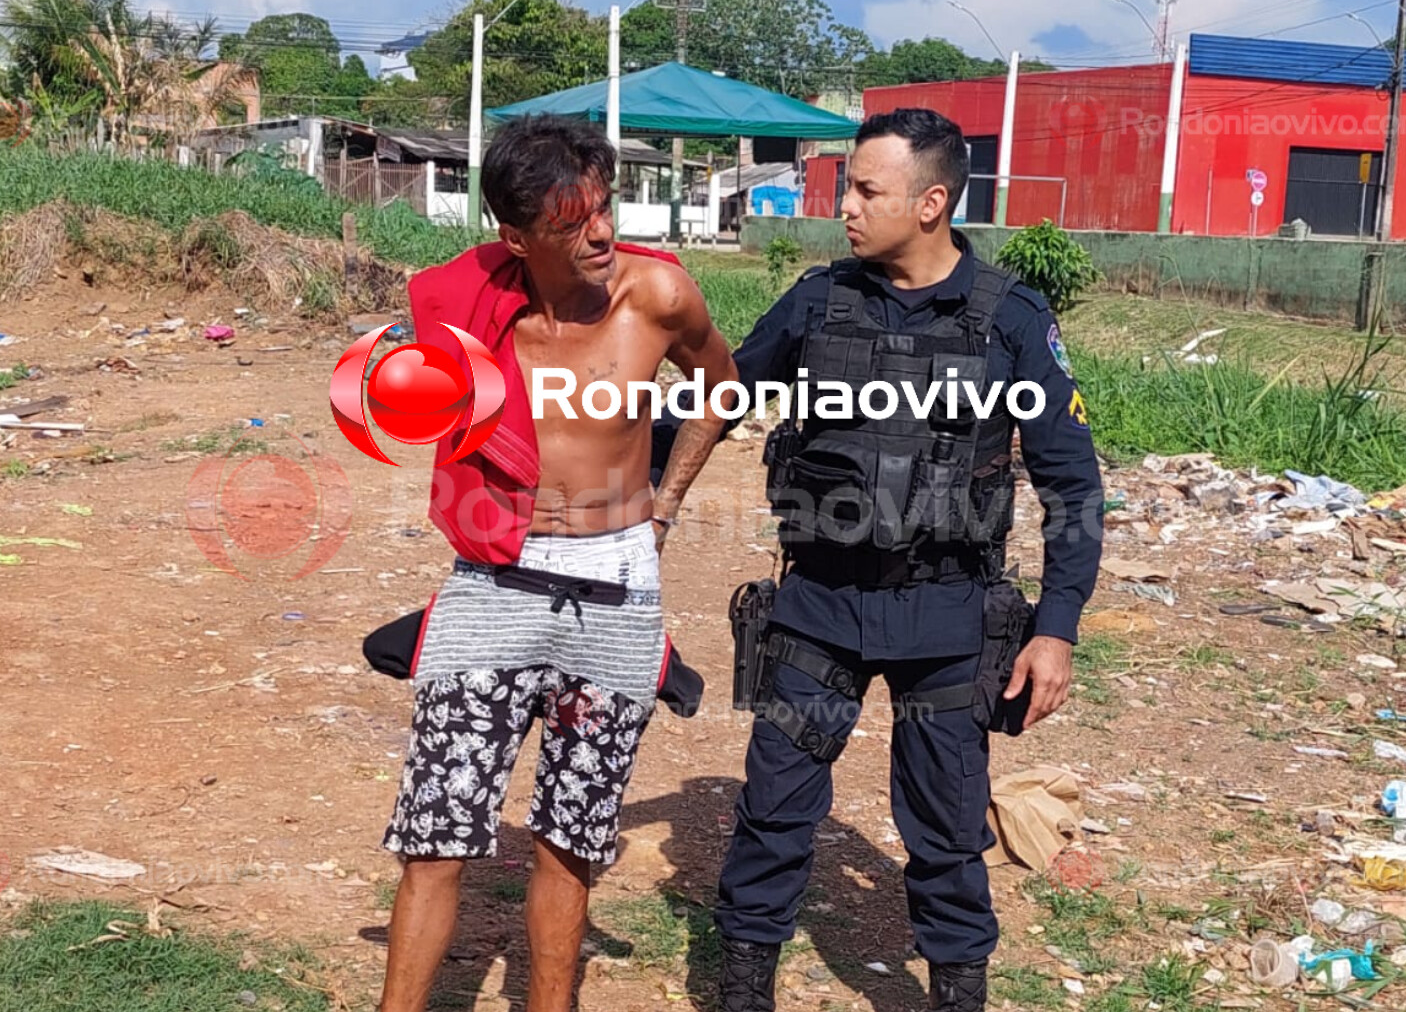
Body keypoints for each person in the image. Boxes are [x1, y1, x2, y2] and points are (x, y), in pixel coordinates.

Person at [656, 107, 1105, 1012]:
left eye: (867, 190)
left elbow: (1072, 485)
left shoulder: (1012, 321)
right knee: (774, 816)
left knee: (944, 830)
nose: (847, 208)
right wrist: (634, 487)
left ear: (932, 202)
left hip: (947, 617)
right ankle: (741, 993)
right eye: (847, 188)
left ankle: (956, 994)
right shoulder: (819, 302)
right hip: (819, 606)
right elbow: (722, 397)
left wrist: (1054, 631)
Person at [375, 114, 739, 1012]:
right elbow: (402, 399)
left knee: (572, 837)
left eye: (606, 209)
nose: (603, 234)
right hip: (493, 583)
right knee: (436, 832)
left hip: (615, 590)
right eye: (572, 222)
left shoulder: (655, 298)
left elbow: (722, 388)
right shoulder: (468, 320)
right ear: (515, 233)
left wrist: (667, 501)